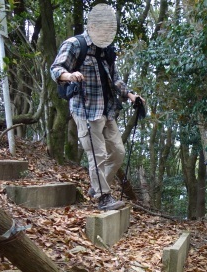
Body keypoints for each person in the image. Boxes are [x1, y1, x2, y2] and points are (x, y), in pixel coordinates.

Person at [50, 4, 145, 211]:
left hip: (107, 110)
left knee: (118, 152)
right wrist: (70, 75)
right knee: (97, 154)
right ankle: (103, 197)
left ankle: (97, 186)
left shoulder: (106, 50)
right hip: (85, 109)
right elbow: (56, 69)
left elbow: (115, 79)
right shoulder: (75, 44)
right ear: (92, 26)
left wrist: (130, 95)